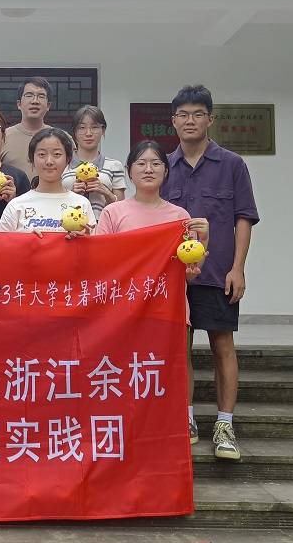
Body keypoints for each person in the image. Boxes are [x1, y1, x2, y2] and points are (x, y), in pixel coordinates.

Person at [160, 84, 260, 461]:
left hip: (218, 273)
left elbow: (243, 218)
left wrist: (238, 268)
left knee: (222, 346)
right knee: (179, 348)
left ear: (210, 119)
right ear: (173, 121)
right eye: (183, 115)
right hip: (174, 277)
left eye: (197, 114)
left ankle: (225, 423)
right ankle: (185, 418)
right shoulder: (162, 166)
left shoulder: (232, 164)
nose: (190, 121)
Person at [96, 140, 209, 446]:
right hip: (124, 307)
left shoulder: (180, 216)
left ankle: (184, 417)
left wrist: (204, 240)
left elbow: (190, 268)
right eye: (141, 163)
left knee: (176, 362)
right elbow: (99, 260)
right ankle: (126, 418)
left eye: (156, 163)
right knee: (124, 365)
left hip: (168, 306)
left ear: (166, 171)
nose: (149, 169)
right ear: (129, 171)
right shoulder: (114, 212)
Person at [0, 127, 93, 235]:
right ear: (32, 159)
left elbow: (96, 244)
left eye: (57, 154)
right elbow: (0, 244)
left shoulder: (82, 204)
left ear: (68, 159)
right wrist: (26, 240)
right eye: (42, 154)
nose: (49, 161)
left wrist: (86, 240)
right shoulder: (16, 206)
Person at [62, 105, 126, 221]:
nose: (88, 133)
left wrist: (106, 192)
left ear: (103, 130)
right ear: (75, 132)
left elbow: (122, 207)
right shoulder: (63, 165)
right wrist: (71, 194)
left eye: (95, 127)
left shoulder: (114, 166)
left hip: (103, 227)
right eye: (82, 128)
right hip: (69, 227)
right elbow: (55, 203)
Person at [1, 77, 53, 180]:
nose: (35, 101)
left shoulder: (62, 138)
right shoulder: (2, 137)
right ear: (19, 104)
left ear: (48, 105)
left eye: (41, 96)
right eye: (29, 95)